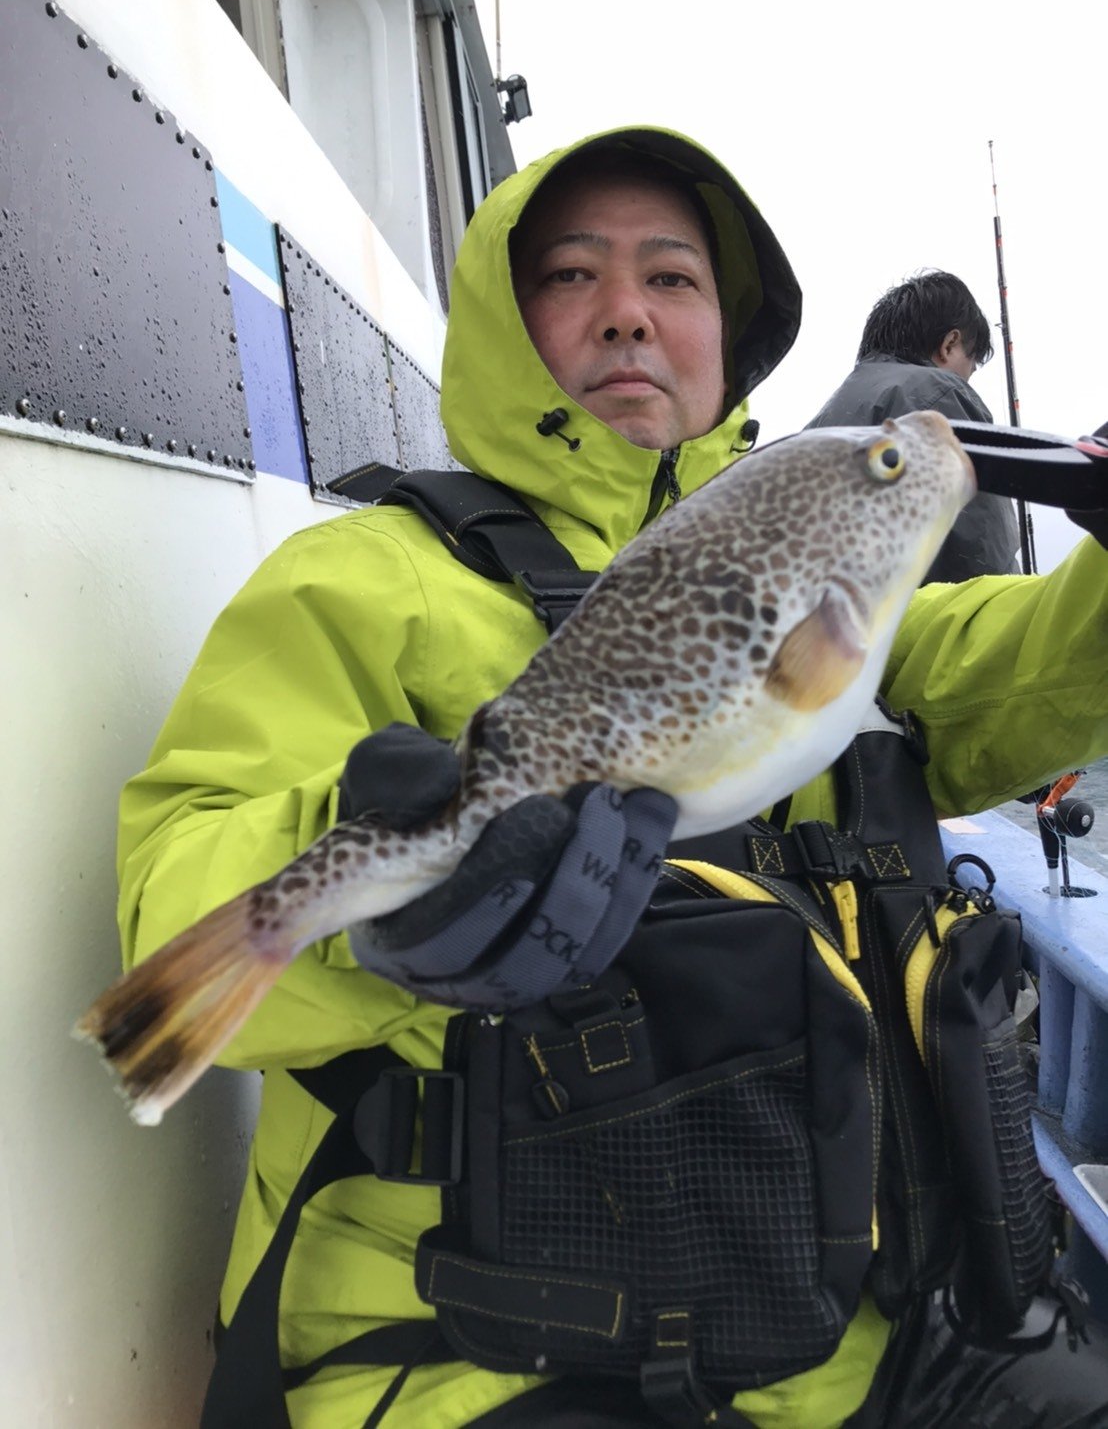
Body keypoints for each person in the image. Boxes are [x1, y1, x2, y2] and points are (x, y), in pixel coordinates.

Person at [115, 129, 1108, 1427]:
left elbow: (1009, 679)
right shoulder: (361, 578)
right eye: (573, 275)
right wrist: (393, 906)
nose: (628, 312)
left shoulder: (819, 585)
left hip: (864, 1325)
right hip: (476, 1338)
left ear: (728, 331)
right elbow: (170, 892)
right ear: (504, 320)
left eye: (674, 279)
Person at [807, 271, 1022, 582]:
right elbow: (983, 552)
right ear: (950, 344)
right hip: (914, 626)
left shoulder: (822, 420)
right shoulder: (940, 395)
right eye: (970, 368)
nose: (966, 380)